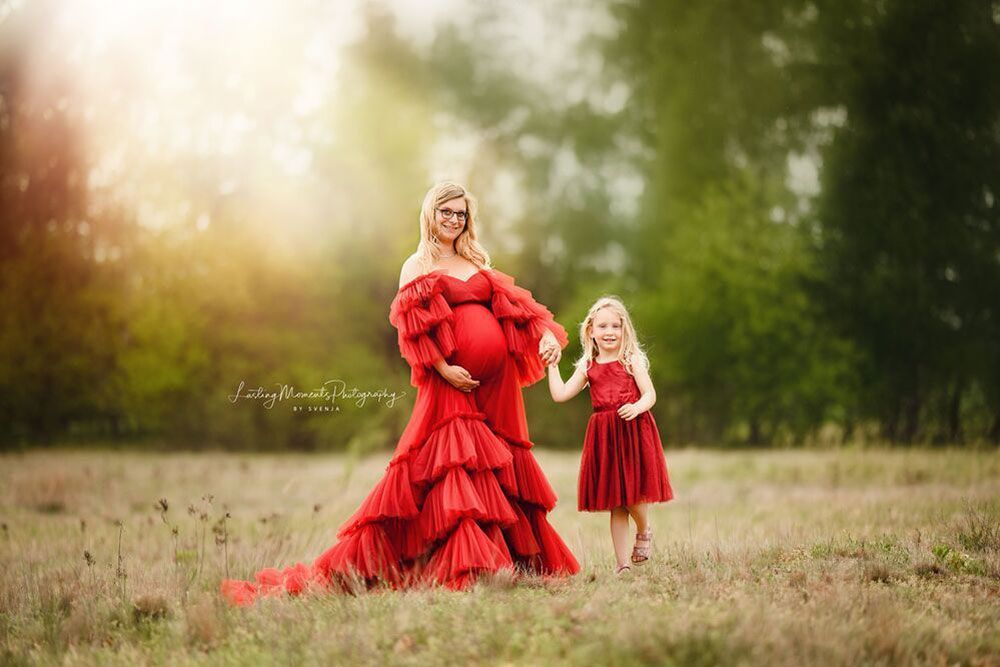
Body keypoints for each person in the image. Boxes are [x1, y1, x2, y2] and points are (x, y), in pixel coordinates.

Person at [220, 181, 579, 605]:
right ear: (431, 213)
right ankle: (463, 566)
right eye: (446, 211)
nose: (454, 219)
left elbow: (517, 310)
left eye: (461, 213)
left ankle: (512, 561)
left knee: (499, 465)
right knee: (456, 463)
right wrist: (445, 369)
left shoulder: (476, 260)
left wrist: (545, 337)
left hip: (496, 386)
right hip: (451, 382)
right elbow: (413, 327)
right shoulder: (418, 264)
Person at [546, 296, 673, 575]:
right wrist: (552, 366)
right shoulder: (588, 365)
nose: (609, 332)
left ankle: (644, 529)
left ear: (624, 329)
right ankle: (622, 565)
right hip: (605, 437)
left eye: (615, 326)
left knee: (633, 495)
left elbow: (650, 394)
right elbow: (561, 394)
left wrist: (637, 407)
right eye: (603, 326)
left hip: (632, 430)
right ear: (591, 330)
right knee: (616, 502)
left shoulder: (631, 360)